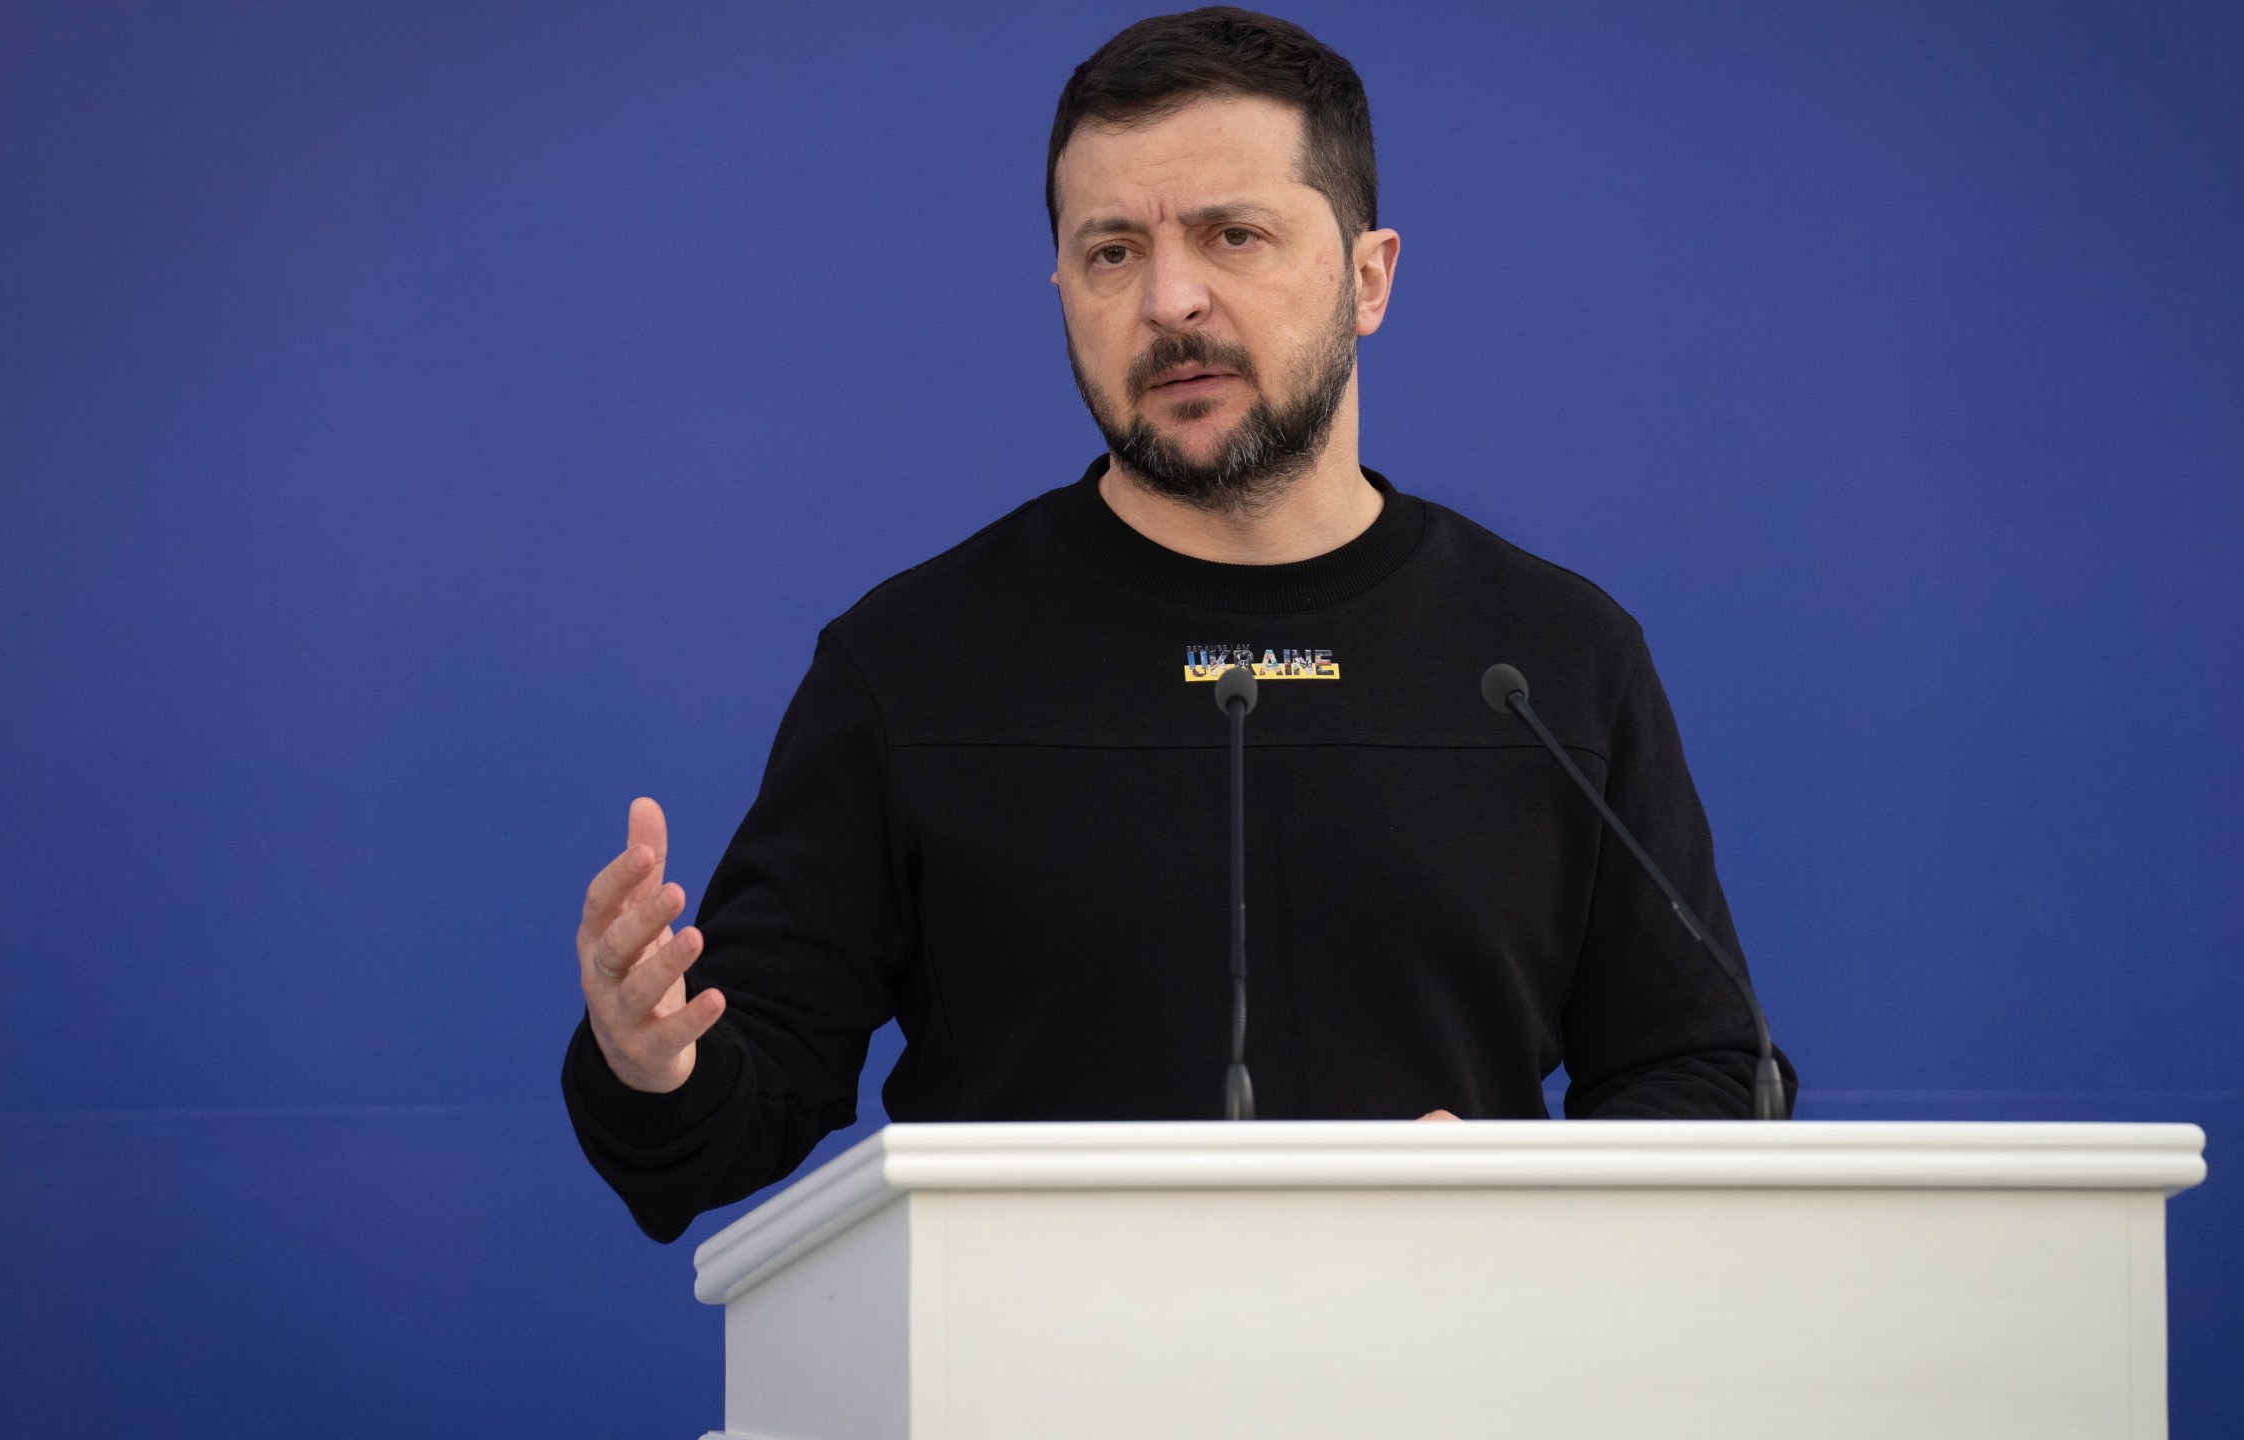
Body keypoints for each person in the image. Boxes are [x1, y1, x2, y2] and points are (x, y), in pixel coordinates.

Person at [564, 6, 1794, 1244]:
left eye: (1233, 235)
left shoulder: (1552, 662)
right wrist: (650, 1061)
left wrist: (1531, 1203)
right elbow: (731, 1105)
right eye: (1109, 253)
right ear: (1060, 287)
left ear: (1368, 279)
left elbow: (1698, 1070)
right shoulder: (912, 665)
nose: (1170, 299)